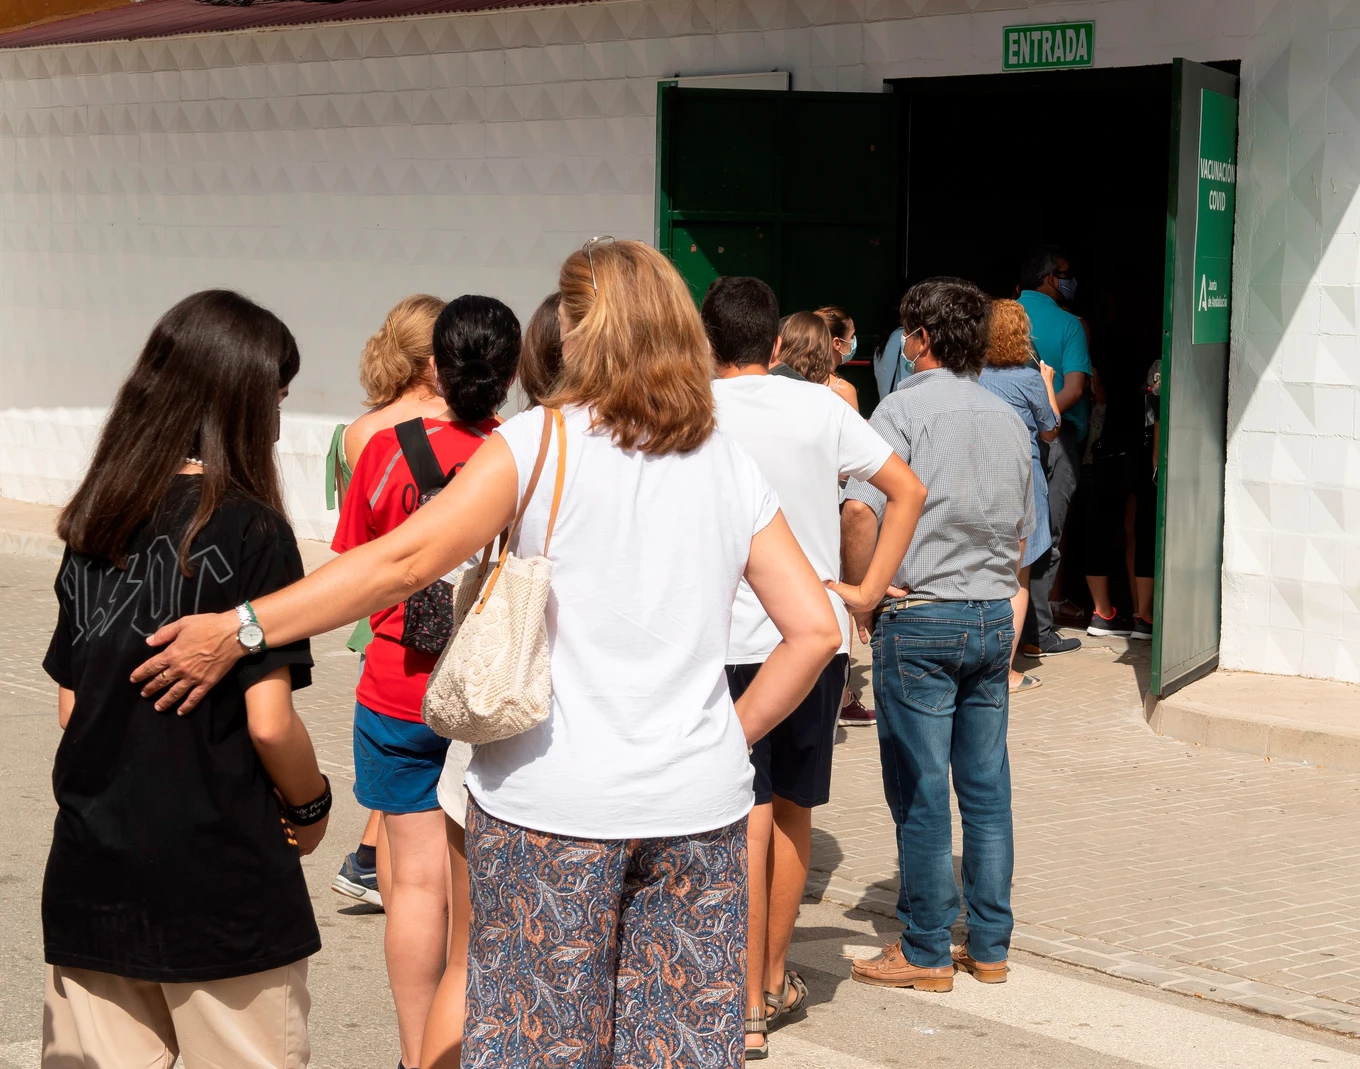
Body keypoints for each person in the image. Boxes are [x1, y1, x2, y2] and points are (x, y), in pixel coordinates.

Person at [135, 239, 839, 1067]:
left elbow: (398, 562)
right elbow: (817, 631)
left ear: (584, 331)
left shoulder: (539, 441)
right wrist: (725, 734)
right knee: (674, 1051)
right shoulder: (723, 458)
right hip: (700, 810)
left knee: (540, 1044)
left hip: (553, 810)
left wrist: (245, 624)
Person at [41, 290, 329, 1069]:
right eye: (277, 392)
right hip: (222, 880)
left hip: (93, 869)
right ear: (240, 397)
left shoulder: (96, 517)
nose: (279, 412)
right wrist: (311, 804)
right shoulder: (256, 530)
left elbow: (73, 705)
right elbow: (270, 722)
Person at [706, 277, 926, 1059]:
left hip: (720, 637)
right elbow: (906, 489)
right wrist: (866, 591)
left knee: (744, 807)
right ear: (774, 345)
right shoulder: (823, 405)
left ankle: (740, 1004)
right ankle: (769, 983)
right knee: (794, 806)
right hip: (816, 635)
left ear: (708, 343)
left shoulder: (690, 406)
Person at [331, 294, 520, 1069]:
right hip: (490, 698)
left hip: (397, 687)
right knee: (476, 914)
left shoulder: (381, 449)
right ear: (509, 375)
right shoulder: (525, 453)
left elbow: (355, 568)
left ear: (435, 365)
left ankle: (416, 1056)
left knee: (411, 886)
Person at [840, 277, 1035, 993]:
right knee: (985, 789)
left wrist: (865, 592)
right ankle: (988, 943)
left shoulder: (899, 410)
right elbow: (1023, 534)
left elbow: (861, 512)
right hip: (988, 614)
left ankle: (924, 947)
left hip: (920, 613)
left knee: (922, 790)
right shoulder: (1007, 415)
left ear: (918, 339)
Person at [416, 290, 559, 1069]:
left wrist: (254, 623)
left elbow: (414, 566)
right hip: (632, 771)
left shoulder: (520, 448)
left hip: (503, 737)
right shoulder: (687, 458)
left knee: (470, 954)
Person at [329, 294, 449, 911]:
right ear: (433, 359)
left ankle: (378, 865)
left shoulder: (362, 432)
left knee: (399, 778)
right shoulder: (478, 431)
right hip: (450, 623)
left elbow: (361, 539)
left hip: (385, 617)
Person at [979, 299, 1062, 693]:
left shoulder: (972, 373)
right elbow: (1050, 430)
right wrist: (1047, 381)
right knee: (1017, 576)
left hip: (978, 478)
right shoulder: (1027, 378)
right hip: (1020, 480)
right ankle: (1005, 672)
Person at [1016, 246, 1092, 659]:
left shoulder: (998, 317)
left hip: (1005, 440)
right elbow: (1077, 387)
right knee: (1048, 534)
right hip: (1056, 440)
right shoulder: (1069, 325)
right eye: (1065, 273)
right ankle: (1038, 632)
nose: (1070, 280)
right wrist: (1046, 421)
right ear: (1049, 278)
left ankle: (1006, 629)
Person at [1083, 346, 1158, 641]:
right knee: (1142, 531)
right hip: (1141, 449)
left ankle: (1102, 613)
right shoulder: (1153, 366)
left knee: (1099, 529)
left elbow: (1099, 395)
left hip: (1108, 450)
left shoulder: (1105, 370)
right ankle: (1144, 616)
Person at [813, 305, 862, 410]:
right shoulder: (845, 390)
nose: (853, 341)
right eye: (851, 336)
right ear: (837, 343)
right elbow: (852, 426)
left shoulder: (795, 377)